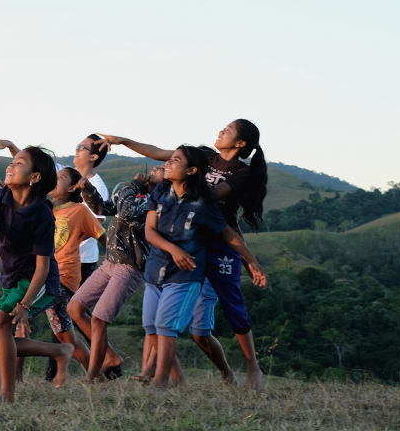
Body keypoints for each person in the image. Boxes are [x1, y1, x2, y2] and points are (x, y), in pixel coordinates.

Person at [99, 119, 269, 387]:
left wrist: (170, 181)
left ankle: (252, 365)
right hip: (188, 241)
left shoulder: (241, 172)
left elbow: (210, 196)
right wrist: (123, 141)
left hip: (219, 240)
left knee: (228, 307)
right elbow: (157, 152)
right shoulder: (203, 155)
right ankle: (165, 374)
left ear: (240, 143)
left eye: (228, 130)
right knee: (178, 320)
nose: (220, 130)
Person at [140, 146, 265, 389]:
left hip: (185, 274)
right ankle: (169, 379)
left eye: (175, 160)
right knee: (151, 325)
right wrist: (174, 249)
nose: (168, 162)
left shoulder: (203, 202)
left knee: (167, 326)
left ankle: (160, 383)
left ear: (192, 170)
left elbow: (228, 233)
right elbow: (149, 231)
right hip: (156, 270)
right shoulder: (160, 193)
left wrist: (252, 261)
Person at [0, 146, 75, 403]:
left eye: (19, 162)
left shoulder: (42, 214)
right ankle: (59, 350)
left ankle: (7, 394)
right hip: (12, 279)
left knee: (1, 324)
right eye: (12, 161)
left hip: (37, 280)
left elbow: (43, 267)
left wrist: (25, 304)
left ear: (34, 177)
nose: (10, 166)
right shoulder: (1, 195)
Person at [0, 139, 105, 381]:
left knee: (15, 318)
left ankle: (16, 377)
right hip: (45, 277)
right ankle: (96, 377)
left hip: (61, 279)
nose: (55, 181)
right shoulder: (46, 208)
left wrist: (116, 260)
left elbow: (103, 237)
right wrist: (6, 192)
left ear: (73, 189)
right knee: (63, 333)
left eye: (61, 179)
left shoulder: (80, 211)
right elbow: (24, 181)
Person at [70, 167, 162, 382]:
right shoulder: (137, 194)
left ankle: (92, 376)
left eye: (164, 168)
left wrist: (133, 184)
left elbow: (130, 212)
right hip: (109, 263)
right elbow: (104, 208)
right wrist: (89, 191)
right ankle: (109, 356)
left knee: (100, 320)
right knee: (74, 308)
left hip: (129, 268)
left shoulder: (160, 200)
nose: (157, 168)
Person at [72, 134, 110, 284]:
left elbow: (95, 226)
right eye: (77, 145)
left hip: (81, 258)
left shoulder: (97, 188)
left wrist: (66, 242)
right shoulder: (67, 175)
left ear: (93, 157)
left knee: (72, 304)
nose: (77, 149)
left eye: (82, 147)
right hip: (59, 254)